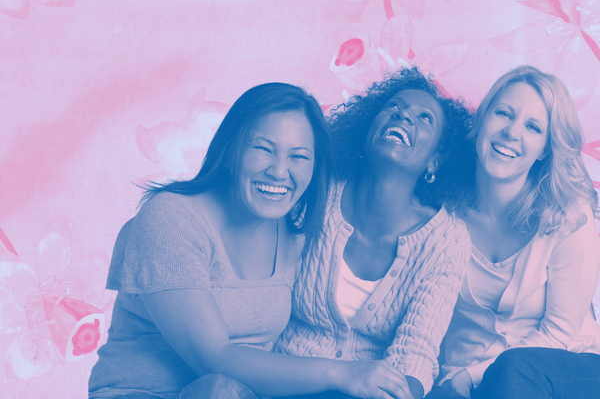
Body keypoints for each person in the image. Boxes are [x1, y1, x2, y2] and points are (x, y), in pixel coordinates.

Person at [88, 81, 430, 399]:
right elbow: (214, 358)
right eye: (264, 149)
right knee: (219, 389)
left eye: (298, 156)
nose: (280, 171)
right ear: (231, 151)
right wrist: (344, 373)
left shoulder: (295, 231)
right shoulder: (171, 219)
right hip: (145, 393)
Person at [273, 67, 474, 399]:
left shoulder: (446, 240)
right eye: (394, 108)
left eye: (425, 118)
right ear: (366, 132)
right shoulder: (315, 192)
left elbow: (416, 352)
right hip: (283, 379)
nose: (404, 116)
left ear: (435, 161)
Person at [427, 66, 600, 399]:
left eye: (533, 127)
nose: (511, 132)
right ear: (480, 122)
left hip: (567, 370)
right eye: (503, 113)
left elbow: (559, 333)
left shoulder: (567, 215)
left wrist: (470, 375)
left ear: (545, 150)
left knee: (512, 371)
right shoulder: (440, 212)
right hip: (460, 383)